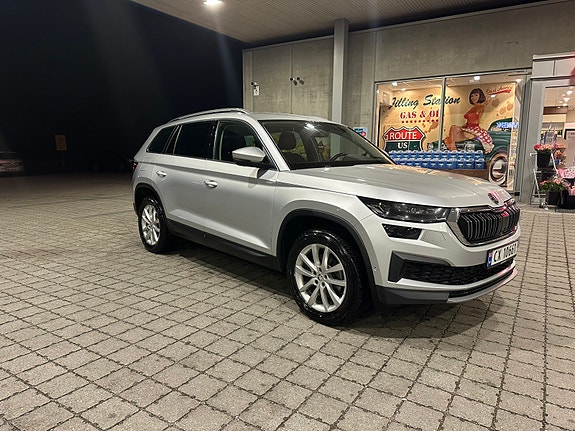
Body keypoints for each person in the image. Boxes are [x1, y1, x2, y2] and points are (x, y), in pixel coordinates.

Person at [443, 88, 494, 153]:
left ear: (480, 96)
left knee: (452, 130)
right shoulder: (473, 108)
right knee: (450, 135)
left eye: (476, 95)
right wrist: (462, 127)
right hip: (468, 128)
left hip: (474, 129)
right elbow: (469, 122)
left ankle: (453, 150)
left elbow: (476, 120)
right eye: (472, 96)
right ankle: (454, 149)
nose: (473, 97)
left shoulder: (480, 107)